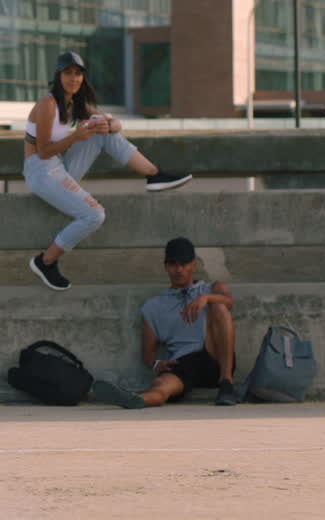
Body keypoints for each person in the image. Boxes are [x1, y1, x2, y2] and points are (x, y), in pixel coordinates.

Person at [24, 51, 191, 290]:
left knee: (102, 131)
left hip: (58, 166)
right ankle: (45, 261)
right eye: (68, 73)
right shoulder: (47, 105)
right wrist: (76, 136)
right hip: (40, 171)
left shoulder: (76, 103)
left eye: (78, 74)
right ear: (58, 76)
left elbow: (117, 124)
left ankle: (154, 175)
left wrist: (109, 124)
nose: (73, 79)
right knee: (94, 215)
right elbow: (42, 151)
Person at [92, 237, 238, 407]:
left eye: (184, 264)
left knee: (219, 306)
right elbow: (148, 352)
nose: (179, 270)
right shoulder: (154, 306)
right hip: (183, 363)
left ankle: (227, 382)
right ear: (166, 267)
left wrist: (205, 298)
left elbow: (229, 302)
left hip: (213, 357)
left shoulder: (212, 289)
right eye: (173, 264)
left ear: (193, 265)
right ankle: (134, 399)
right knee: (160, 386)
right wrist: (156, 364)